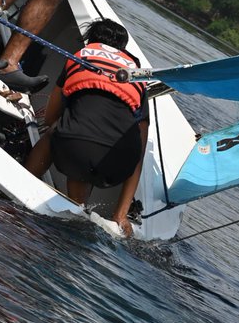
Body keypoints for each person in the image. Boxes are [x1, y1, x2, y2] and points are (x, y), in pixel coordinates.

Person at [25, 19, 149, 236]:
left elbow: (50, 117)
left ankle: (25, 181)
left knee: (62, 132)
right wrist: (120, 214)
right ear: (123, 50)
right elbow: (140, 150)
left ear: (91, 41)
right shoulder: (135, 74)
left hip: (76, 149)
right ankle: (82, 213)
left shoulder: (82, 55)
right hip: (120, 163)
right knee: (85, 150)